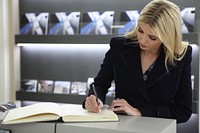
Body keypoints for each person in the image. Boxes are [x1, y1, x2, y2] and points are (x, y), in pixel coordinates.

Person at [83, 0, 192, 124]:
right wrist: (94, 98)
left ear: (168, 36)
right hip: (121, 125)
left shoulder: (181, 55)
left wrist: (139, 111)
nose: (143, 40)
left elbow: (183, 111)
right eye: (140, 31)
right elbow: (99, 85)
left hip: (158, 128)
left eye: (152, 37)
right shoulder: (119, 46)